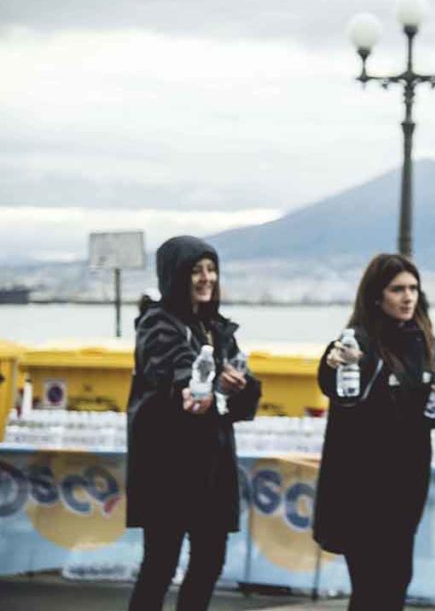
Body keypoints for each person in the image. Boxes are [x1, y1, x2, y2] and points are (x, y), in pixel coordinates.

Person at [126, 236, 261, 611]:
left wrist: (240, 386)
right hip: (166, 463)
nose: (207, 278)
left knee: (209, 561)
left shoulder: (218, 328)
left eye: (211, 269)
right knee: (160, 564)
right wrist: (204, 383)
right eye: (196, 270)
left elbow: (240, 391)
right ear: (176, 275)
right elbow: (173, 368)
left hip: (212, 463)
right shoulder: (157, 323)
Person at [312, 253, 435, 611]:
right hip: (361, 486)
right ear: (377, 295)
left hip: (407, 483)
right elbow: (333, 377)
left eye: (413, 288)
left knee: (396, 581)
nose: (408, 297)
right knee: (372, 585)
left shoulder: (432, 348)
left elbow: (429, 417)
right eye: (397, 289)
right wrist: (333, 361)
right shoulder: (357, 344)